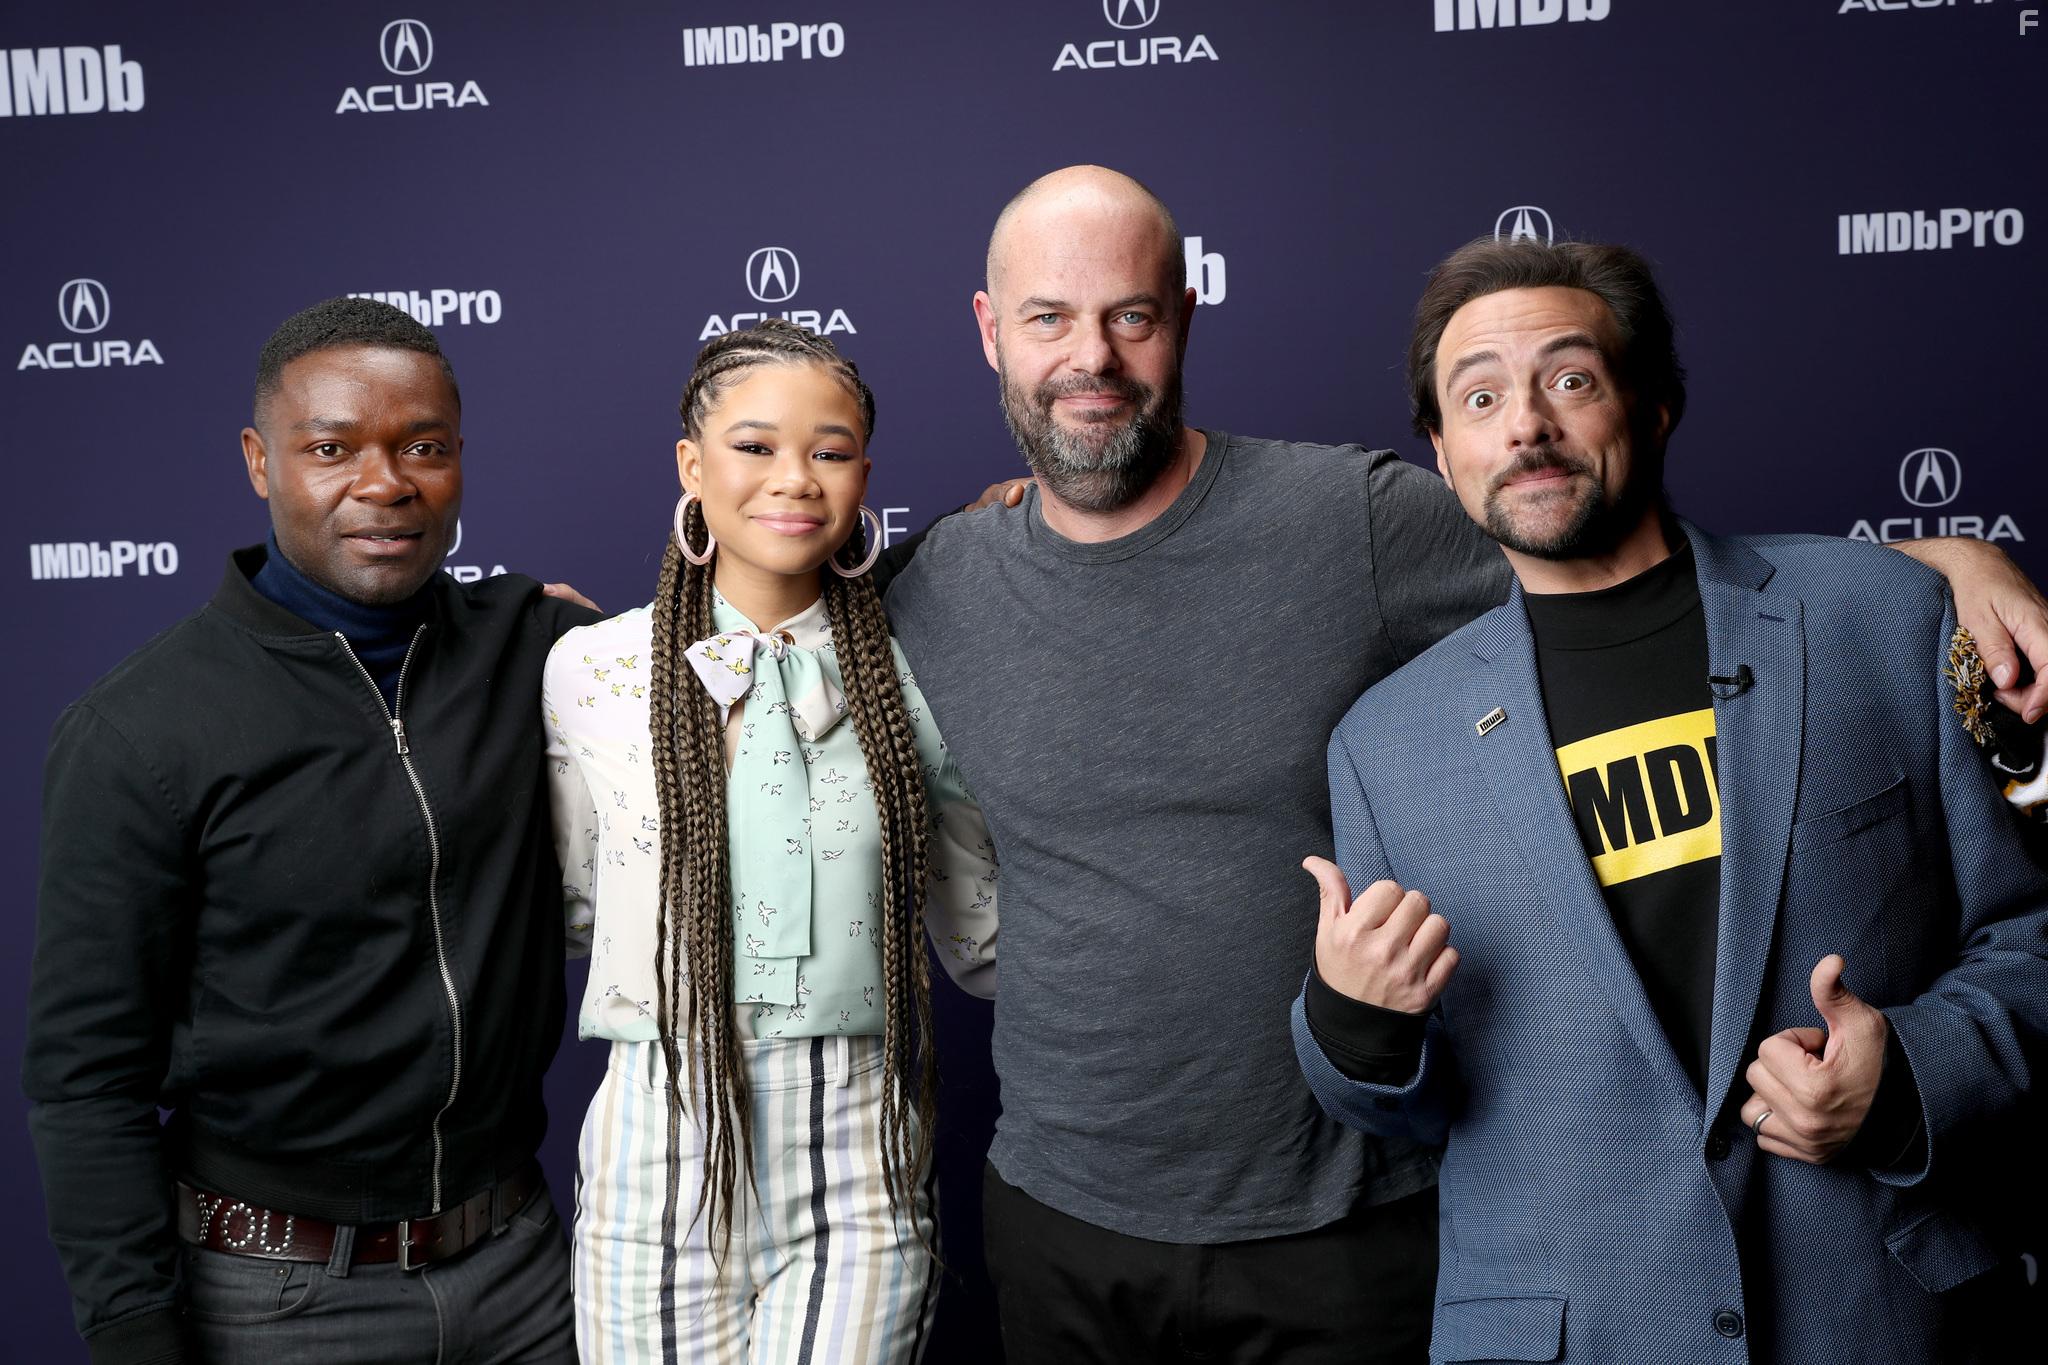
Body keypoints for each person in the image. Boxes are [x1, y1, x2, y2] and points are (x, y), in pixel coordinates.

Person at [880, 165, 2048, 1362]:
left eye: (1128, 313)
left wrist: (1947, 568)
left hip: (1352, 1236)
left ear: (1181, 312)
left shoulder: (1356, 519)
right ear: (989, 331)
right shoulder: (933, 587)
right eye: (1046, 319)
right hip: (1065, 1224)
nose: (1092, 357)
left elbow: (1622, 549)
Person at [1293, 238, 2047, 1363]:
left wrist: (1905, 1076)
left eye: (1570, 379)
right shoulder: (1383, 747)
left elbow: (2027, 935)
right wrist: (1352, 1021)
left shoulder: (1882, 619)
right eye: (1480, 396)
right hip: (1573, 1333)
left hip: (1879, 1313)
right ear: (1443, 456)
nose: (1526, 425)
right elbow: (1403, 1110)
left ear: (1651, 407)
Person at [24, 297, 598, 1363]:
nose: (384, 484)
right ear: (259, 461)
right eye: (331, 449)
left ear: (460, 459)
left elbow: (759, 628)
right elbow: (85, 1080)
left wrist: (1005, 525)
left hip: (522, 1271)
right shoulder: (139, 729)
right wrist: (134, 1333)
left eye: (422, 447)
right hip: (280, 1302)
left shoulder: (545, 648)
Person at [544, 320, 998, 1363]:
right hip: (655, 1152)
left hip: (858, 1153)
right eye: (754, 448)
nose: (793, 479)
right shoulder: (588, 673)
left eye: (829, 452)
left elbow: (982, 940)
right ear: (690, 467)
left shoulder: (912, 672)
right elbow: (576, 909)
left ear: (863, 476)